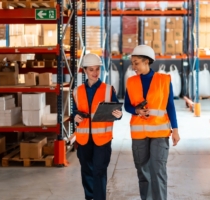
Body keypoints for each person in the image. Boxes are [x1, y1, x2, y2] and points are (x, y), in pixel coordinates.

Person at [124, 45, 180, 200]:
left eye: (136, 63)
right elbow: (127, 105)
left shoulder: (164, 80)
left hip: (159, 133)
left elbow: (170, 106)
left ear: (146, 61)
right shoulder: (131, 81)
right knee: (143, 171)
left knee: (158, 170)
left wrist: (175, 129)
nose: (133, 67)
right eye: (132, 63)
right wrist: (137, 111)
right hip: (139, 134)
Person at [73, 53, 122, 200]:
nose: (95, 73)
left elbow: (116, 110)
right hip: (83, 139)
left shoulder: (108, 90)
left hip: (102, 139)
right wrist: (75, 116)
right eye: (91, 70)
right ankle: (90, 197)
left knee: (99, 171)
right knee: (86, 172)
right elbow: (74, 111)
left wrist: (119, 115)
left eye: (97, 69)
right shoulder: (77, 91)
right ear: (85, 71)